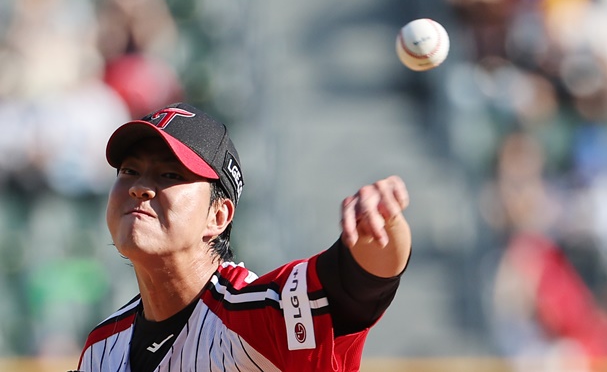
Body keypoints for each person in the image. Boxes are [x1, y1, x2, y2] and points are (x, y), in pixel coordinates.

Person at [74, 102, 411, 371]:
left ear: (218, 216)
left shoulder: (255, 316)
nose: (140, 187)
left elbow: (360, 284)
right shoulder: (101, 347)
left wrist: (382, 222)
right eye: (130, 171)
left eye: (169, 174)